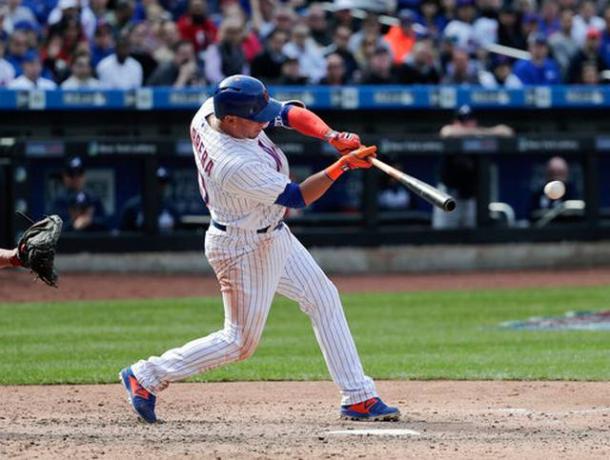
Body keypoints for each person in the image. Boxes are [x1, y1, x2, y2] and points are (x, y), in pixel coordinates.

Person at [119, 75, 400, 424]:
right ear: (232, 120)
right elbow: (297, 197)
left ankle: (358, 397)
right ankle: (145, 375)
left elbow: (291, 113)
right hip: (242, 247)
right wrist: (343, 165)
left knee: (323, 297)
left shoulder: (213, 108)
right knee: (239, 343)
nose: (265, 122)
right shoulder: (233, 164)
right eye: (257, 118)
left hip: (270, 233)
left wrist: (332, 137)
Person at [433, 105, 514, 229]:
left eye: (470, 120)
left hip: (470, 196)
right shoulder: (451, 131)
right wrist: (476, 133)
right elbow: (446, 132)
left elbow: (507, 131)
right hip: (448, 194)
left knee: (470, 235)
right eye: (463, 121)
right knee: (444, 234)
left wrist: (479, 133)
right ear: (456, 122)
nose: (468, 124)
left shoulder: (480, 135)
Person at [49, 156, 107, 232]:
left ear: (84, 175)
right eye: (71, 174)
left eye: (79, 173)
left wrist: (89, 221)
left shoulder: (94, 198)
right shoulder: (58, 201)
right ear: (64, 176)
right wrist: (73, 225)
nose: (76, 178)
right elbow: (51, 231)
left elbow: (105, 225)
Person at [119, 166, 180, 233]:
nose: (160, 187)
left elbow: (179, 235)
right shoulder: (132, 208)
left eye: (163, 183)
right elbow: (123, 235)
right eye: (157, 182)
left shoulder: (171, 209)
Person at [529, 156, 578, 222]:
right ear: (546, 174)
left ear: (566, 174)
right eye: (552, 173)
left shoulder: (573, 195)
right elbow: (531, 216)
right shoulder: (538, 195)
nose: (555, 178)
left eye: (560, 173)